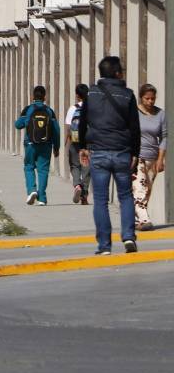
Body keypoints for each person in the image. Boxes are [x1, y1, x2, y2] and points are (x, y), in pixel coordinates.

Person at [79, 56, 141, 255]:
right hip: (122, 152)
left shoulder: (91, 94)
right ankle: (129, 237)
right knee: (125, 196)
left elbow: (82, 122)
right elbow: (135, 127)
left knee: (100, 200)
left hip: (98, 153)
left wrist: (82, 146)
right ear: (117, 73)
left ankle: (104, 246)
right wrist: (135, 153)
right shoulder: (128, 95)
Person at [14, 85, 60, 206]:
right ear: (45, 97)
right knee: (43, 170)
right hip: (46, 145)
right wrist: (56, 147)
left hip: (30, 144)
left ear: (33, 96)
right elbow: (56, 131)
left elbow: (18, 125)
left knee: (29, 167)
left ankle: (32, 190)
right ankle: (42, 198)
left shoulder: (28, 109)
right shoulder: (49, 111)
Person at [134, 83, 167, 231]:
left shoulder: (160, 114)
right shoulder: (134, 112)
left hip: (153, 158)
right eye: (147, 98)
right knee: (139, 189)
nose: (150, 102)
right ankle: (145, 219)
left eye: (153, 99)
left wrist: (160, 159)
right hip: (137, 157)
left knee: (147, 191)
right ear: (141, 98)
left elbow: (164, 137)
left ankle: (137, 221)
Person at [65, 83, 90, 205]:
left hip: (75, 141)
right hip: (88, 142)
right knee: (86, 167)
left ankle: (77, 185)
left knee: (75, 165)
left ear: (77, 95)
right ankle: (84, 195)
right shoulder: (92, 108)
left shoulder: (73, 108)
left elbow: (68, 127)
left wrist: (67, 143)